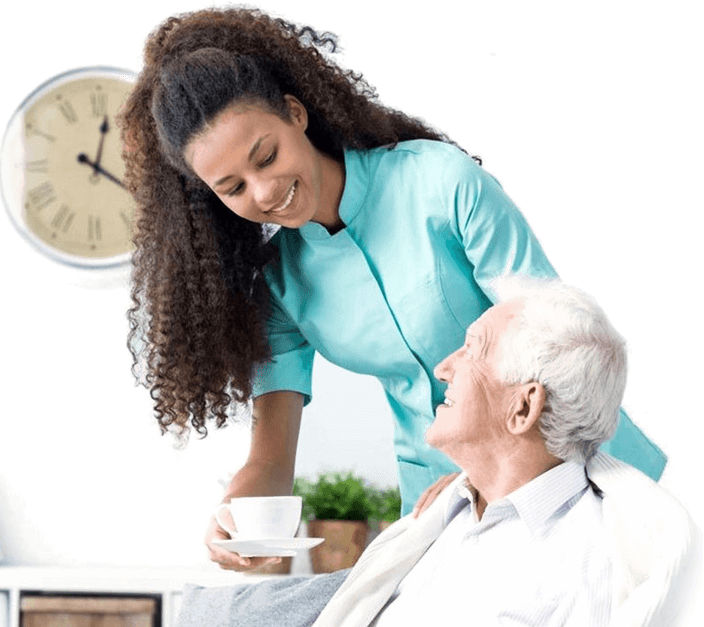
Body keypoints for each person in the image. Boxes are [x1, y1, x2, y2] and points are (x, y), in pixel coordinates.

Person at [116, 5, 668, 573]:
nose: (264, 190)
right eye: (232, 186)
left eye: (267, 156)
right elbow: (271, 459)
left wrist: (487, 470)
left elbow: (553, 338)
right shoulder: (280, 284)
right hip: (441, 511)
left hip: (581, 473)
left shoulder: (439, 183)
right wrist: (238, 514)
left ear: (295, 113)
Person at [280, 279, 700, 627]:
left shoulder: (592, 559)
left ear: (523, 408)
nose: (442, 368)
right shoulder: (430, 529)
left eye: (473, 350)